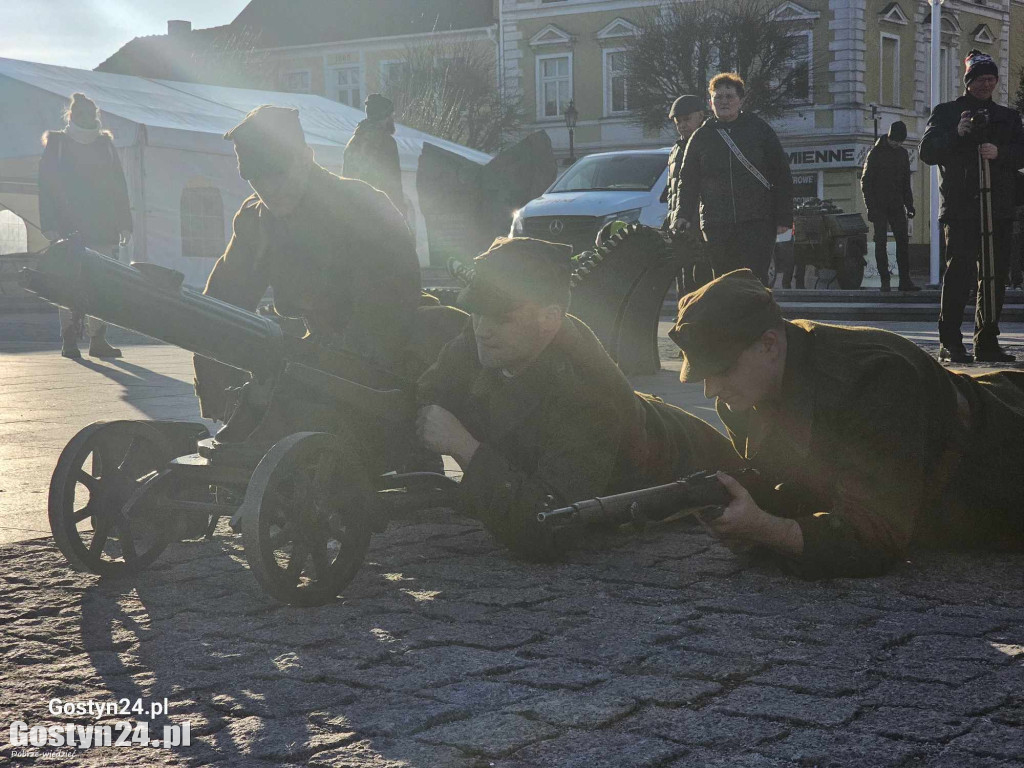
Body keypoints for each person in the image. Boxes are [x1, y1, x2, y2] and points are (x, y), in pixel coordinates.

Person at [668, 268, 1024, 579]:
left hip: (1002, 460)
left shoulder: (874, 378)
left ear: (769, 344)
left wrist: (765, 529)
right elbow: (790, 488)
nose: (710, 390)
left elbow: (875, 539)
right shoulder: (742, 397)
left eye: (722, 370)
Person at [416, 236, 742, 560]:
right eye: (477, 312)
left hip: (695, 460)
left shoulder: (587, 394)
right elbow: (427, 395)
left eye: (501, 317)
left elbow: (550, 526)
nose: (482, 329)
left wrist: (466, 449)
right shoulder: (487, 337)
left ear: (550, 318)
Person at [194, 105, 421, 423]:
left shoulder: (362, 208)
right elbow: (223, 301)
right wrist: (220, 388)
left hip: (387, 352)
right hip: (317, 351)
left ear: (306, 158)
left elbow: (385, 312)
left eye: (278, 175)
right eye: (257, 179)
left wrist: (317, 376)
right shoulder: (255, 219)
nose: (269, 190)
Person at [921, 50, 1024, 364]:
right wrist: (958, 133)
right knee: (959, 276)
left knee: (994, 277)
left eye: (991, 79)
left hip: (999, 209)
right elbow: (927, 151)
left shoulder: (1007, 117)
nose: (986, 84)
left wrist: (1000, 153)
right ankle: (951, 341)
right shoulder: (947, 112)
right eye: (980, 79)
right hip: (962, 207)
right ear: (968, 81)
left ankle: (987, 341)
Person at [38, 92, 132, 359]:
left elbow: (118, 186)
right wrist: (49, 224)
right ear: (71, 115)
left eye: (90, 114)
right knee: (68, 281)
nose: (86, 119)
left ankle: (98, 339)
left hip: (103, 226)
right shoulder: (56, 143)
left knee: (102, 283)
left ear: (95, 116)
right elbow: (46, 185)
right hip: (68, 226)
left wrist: (125, 224)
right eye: (80, 114)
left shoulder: (105, 144)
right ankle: (69, 339)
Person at [677, 73, 793, 285]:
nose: (723, 101)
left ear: (741, 100)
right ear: (710, 102)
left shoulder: (759, 130)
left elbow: (781, 174)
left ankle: (756, 318)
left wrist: (784, 217)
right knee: (723, 284)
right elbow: (688, 179)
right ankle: (727, 320)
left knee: (754, 282)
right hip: (716, 224)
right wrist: (682, 214)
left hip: (757, 222)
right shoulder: (702, 136)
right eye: (718, 97)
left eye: (729, 96)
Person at [861, 120, 918, 292]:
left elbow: (905, 182)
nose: (897, 144)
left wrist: (910, 205)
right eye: (895, 141)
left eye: (900, 142)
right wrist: (870, 207)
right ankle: (885, 281)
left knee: (902, 241)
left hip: (896, 204)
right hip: (879, 205)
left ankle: (904, 281)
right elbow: (866, 182)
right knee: (881, 242)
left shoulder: (902, 154)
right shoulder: (875, 153)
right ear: (889, 137)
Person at [663, 94, 711, 295]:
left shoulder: (708, 144)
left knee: (700, 279)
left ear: (700, 116)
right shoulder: (675, 149)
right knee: (683, 280)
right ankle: (684, 317)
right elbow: (673, 190)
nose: (682, 125)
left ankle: (696, 321)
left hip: (701, 227)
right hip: (681, 226)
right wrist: (671, 218)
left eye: (686, 119)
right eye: (678, 122)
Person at [343, 93, 406, 219]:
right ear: (385, 117)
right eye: (391, 115)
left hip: (354, 212)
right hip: (379, 214)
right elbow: (393, 182)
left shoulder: (353, 141)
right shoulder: (385, 142)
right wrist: (401, 213)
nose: (392, 119)